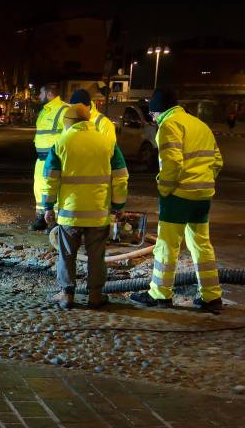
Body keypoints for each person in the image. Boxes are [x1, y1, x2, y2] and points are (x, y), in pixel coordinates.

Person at [130, 89, 224, 312]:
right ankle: (211, 297)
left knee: (167, 246)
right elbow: (217, 161)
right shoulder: (199, 125)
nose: (153, 119)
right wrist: (202, 182)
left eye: (153, 114)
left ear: (158, 111)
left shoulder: (169, 126)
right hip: (203, 196)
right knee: (201, 245)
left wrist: (164, 189)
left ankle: (160, 294)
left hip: (178, 196)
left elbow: (171, 163)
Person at [42, 104, 129, 309]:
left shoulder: (61, 143)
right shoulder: (107, 143)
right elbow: (120, 177)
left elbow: (50, 179)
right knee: (96, 256)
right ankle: (95, 296)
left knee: (66, 255)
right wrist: (118, 205)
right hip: (98, 214)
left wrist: (48, 206)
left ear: (68, 123)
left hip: (70, 214)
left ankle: (67, 295)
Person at [30, 83, 69, 231]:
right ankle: (42, 217)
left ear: (49, 94)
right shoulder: (44, 111)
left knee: (54, 188)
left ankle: (56, 221)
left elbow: (69, 134)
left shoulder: (64, 109)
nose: (39, 96)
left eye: (41, 93)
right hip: (41, 158)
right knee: (39, 187)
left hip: (55, 158)